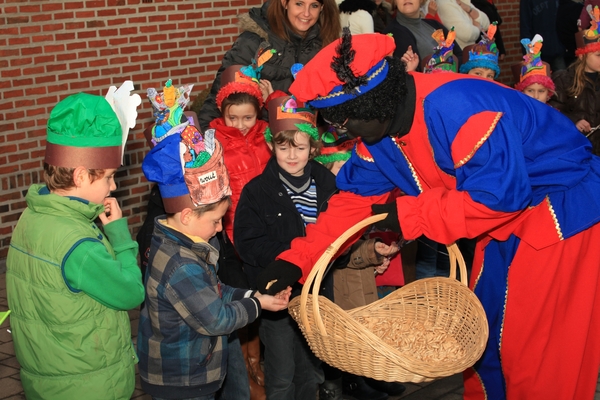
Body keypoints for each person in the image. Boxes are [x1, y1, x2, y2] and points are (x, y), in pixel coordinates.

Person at [258, 29, 600, 400]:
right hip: (502, 229)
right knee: (486, 347)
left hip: (560, 220)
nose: (340, 132)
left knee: (537, 357)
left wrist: (404, 214)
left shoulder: (457, 107)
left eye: (343, 121)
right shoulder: (380, 137)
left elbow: (500, 198)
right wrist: (295, 262)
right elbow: (351, 204)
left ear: (373, 104)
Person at [6, 82, 145, 399]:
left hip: (46, 379)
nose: (112, 188)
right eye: (108, 177)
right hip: (89, 385)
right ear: (82, 175)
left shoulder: (30, 218)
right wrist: (120, 236)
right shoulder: (79, 245)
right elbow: (130, 293)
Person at [137, 119, 292, 400]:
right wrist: (257, 305)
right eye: (216, 221)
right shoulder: (181, 264)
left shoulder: (183, 243)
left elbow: (215, 292)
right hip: (182, 380)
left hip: (189, 371)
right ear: (186, 216)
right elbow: (217, 320)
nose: (221, 228)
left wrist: (253, 294)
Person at [233, 96, 335, 400]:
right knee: (281, 373)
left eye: (300, 148)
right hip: (276, 296)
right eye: (283, 147)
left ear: (313, 149)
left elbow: (338, 232)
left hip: (316, 295)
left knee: (311, 369)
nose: (292, 155)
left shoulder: (327, 183)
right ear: (271, 146)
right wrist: (295, 252)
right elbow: (248, 243)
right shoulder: (256, 192)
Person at [314, 130, 406, 400]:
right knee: (350, 335)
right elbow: (341, 246)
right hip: (345, 278)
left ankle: (373, 375)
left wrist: (379, 250)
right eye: (340, 165)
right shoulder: (331, 199)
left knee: (369, 329)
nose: (346, 171)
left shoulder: (356, 195)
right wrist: (370, 252)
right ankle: (353, 380)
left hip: (363, 274)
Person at [197, 0, 341, 131]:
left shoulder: (327, 44)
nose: (306, 13)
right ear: (284, 3)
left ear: (322, 7)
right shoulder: (256, 41)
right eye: (299, 4)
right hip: (259, 142)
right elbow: (222, 96)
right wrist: (203, 143)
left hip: (309, 140)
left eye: (314, 6)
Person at [550, 8, 600, 154]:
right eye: (598, 55)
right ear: (582, 56)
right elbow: (553, 112)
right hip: (577, 150)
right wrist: (574, 121)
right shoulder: (564, 80)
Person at [385, 0, 463, 63]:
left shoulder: (435, 24)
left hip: (453, 79)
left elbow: (459, 55)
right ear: (395, 2)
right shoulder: (393, 33)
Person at [520, 0, 567, 72]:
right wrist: (528, 52)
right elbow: (525, 26)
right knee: (540, 81)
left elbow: (565, 18)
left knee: (562, 80)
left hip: (558, 49)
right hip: (537, 53)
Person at [514, 35, 556, 103]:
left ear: (548, 93)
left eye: (541, 91)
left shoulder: (553, 113)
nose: (536, 97)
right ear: (522, 91)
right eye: (530, 90)